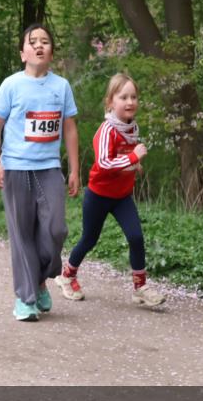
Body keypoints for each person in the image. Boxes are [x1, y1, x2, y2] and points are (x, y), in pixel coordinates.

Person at [0, 24, 79, 322]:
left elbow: (69, 128)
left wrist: (75, 169)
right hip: (15, 168)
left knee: (55, 229)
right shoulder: (11, 85)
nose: (39, 46)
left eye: (45, 42)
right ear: (23, 52)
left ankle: (41, 278)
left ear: (51, 52)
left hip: (49, 168)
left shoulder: (61, 86)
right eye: (33, 42)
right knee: (21, 234)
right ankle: (26, 298)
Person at [53, 74, 164, 306]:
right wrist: (133, 156)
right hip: (99, 195)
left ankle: (140, 288)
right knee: (89, 239)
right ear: (110, 102)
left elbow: (122, 157)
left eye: (133, 97)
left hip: (122, 196)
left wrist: (135, 164)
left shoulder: (131, 127)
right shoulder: (107, 130)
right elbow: (104, 163)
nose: (130, 102)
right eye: (123, 97)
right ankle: (67, 276)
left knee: (136, 236)